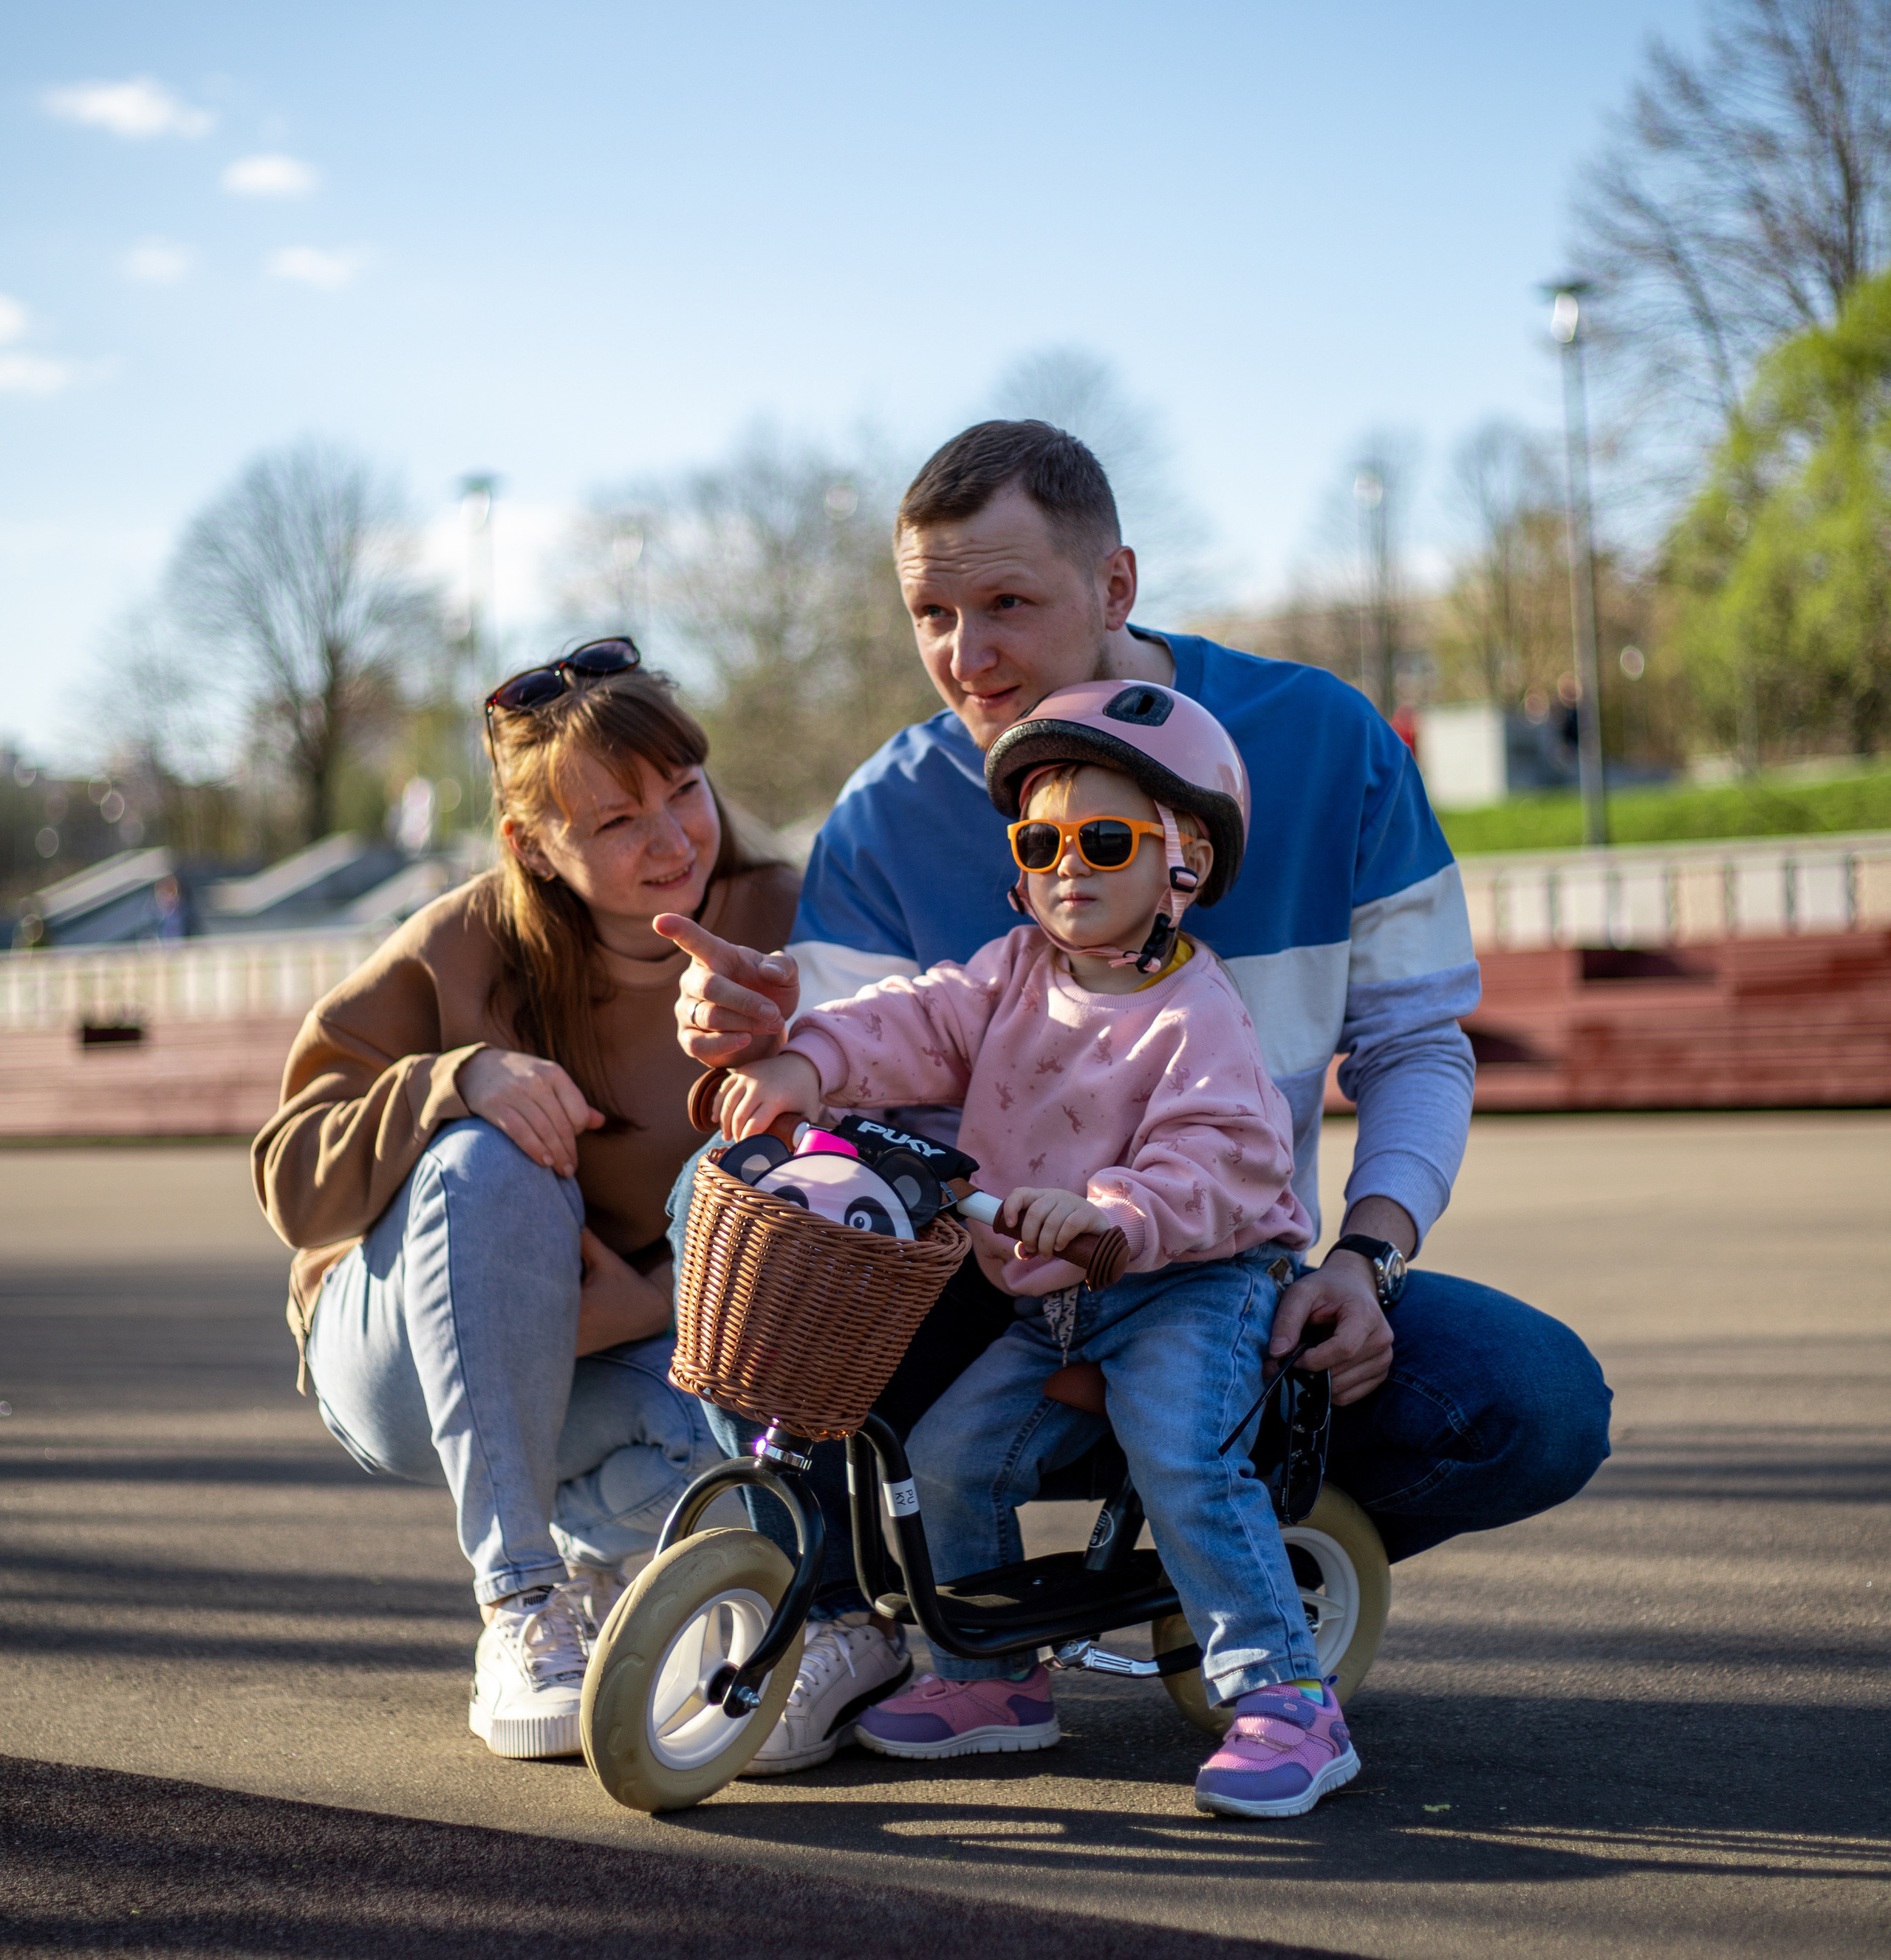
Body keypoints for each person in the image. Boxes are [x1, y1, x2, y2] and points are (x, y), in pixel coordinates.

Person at [664, 418, 1612, 1775]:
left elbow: (1415, 1040)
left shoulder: (1320, 742)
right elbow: (886, 1056)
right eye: (931, 614)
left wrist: (1369, 1259)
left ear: (1115, 586)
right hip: (992, 1267)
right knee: (729, 1196)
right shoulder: (893, 805)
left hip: (1206, 1259)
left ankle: (1226, 1585)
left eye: (1007, 605)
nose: (965, 656)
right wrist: (782, 1050)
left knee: (1528, 1396)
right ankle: (866, 1606)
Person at [716, 688, 1367, 1819]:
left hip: (1192, 1284)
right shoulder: (1012, 973)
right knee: (951, 1459)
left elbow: (1226, 1157)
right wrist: (808, 1064)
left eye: (1105, 841)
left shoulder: (1197, 1012)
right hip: (1051, 1299)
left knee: (1184, 1457)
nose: (1070, 866)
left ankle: (1286, 1697)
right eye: (1042, 842)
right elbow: (912, 1020)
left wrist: (1111, 1209)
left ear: (1186, 858)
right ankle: (993, 1682)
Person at [253, 643, 800, 1761]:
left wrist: (651, 1301)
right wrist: (452, 1082)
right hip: (406, 1362)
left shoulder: (784, 916)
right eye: (614, 823)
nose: (671, 839)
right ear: (533, 848)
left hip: (629, 1350)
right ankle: (521, 1603)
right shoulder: (461, 945)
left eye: (683, 791)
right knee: (490, 1159)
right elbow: (292, 1182)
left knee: (770, 1521)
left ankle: (609, 1551)